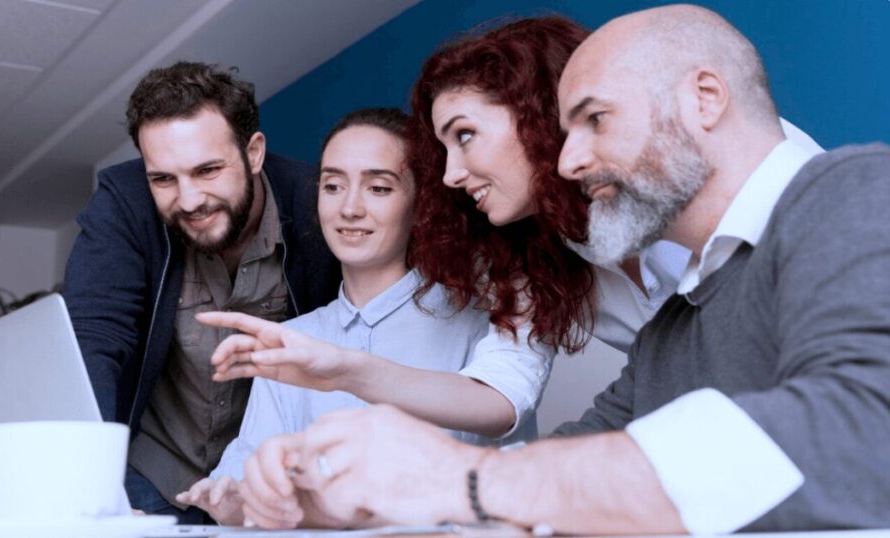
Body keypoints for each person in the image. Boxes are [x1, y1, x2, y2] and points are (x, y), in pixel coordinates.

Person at [222, 5, 890, 534]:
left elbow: (860, 434)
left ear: (705, 99)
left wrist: (461, 481)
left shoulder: (849, 191)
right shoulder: (672, 334)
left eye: (594, 120)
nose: (570, 160)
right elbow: (582, 442)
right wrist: (388, 498)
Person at [176, 108, 515, 526]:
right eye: (333, 186)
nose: (350, 208)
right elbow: (247, 484)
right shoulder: (290, 340)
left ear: (421, 202)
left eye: (378, 188)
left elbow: (503, 492)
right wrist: (232, 503)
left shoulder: (480, 329)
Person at [61, 61, 340, 522]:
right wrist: (89, 487)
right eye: (163, 179)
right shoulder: (124, 203)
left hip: (266, 487)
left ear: (253, 152)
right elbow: (92, 338)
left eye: (208, 170)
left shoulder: (315, 206)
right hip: (151, 477)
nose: (188, 201)